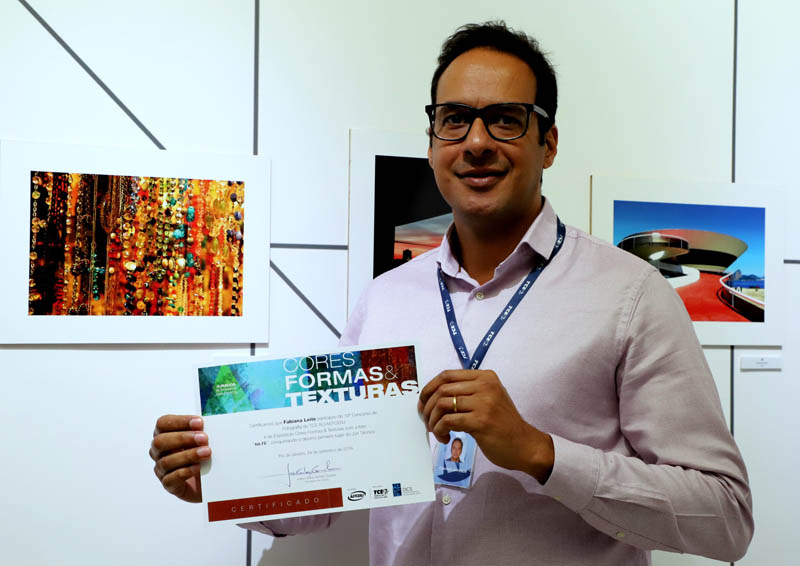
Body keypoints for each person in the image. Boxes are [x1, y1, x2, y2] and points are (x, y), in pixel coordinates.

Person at [151, 21, 753, 565]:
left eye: (506, 119)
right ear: (433, 142)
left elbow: (725, 518)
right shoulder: (386, 298)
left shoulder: (631, 294)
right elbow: (330, 488)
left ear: (548, 143)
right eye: (454, 119)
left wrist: (541, 453)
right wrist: (228, 478)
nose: (476, 141)